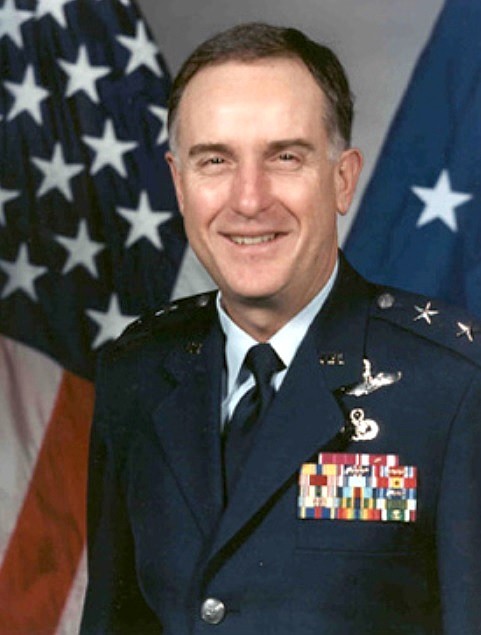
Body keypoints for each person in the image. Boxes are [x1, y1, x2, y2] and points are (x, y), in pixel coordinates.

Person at [80, 22, 481, 634]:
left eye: (285, 157)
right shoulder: (137, 372)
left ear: (342, 179)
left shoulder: (453, 387)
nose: (249, 200)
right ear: (180, 184)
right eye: (215, 161)